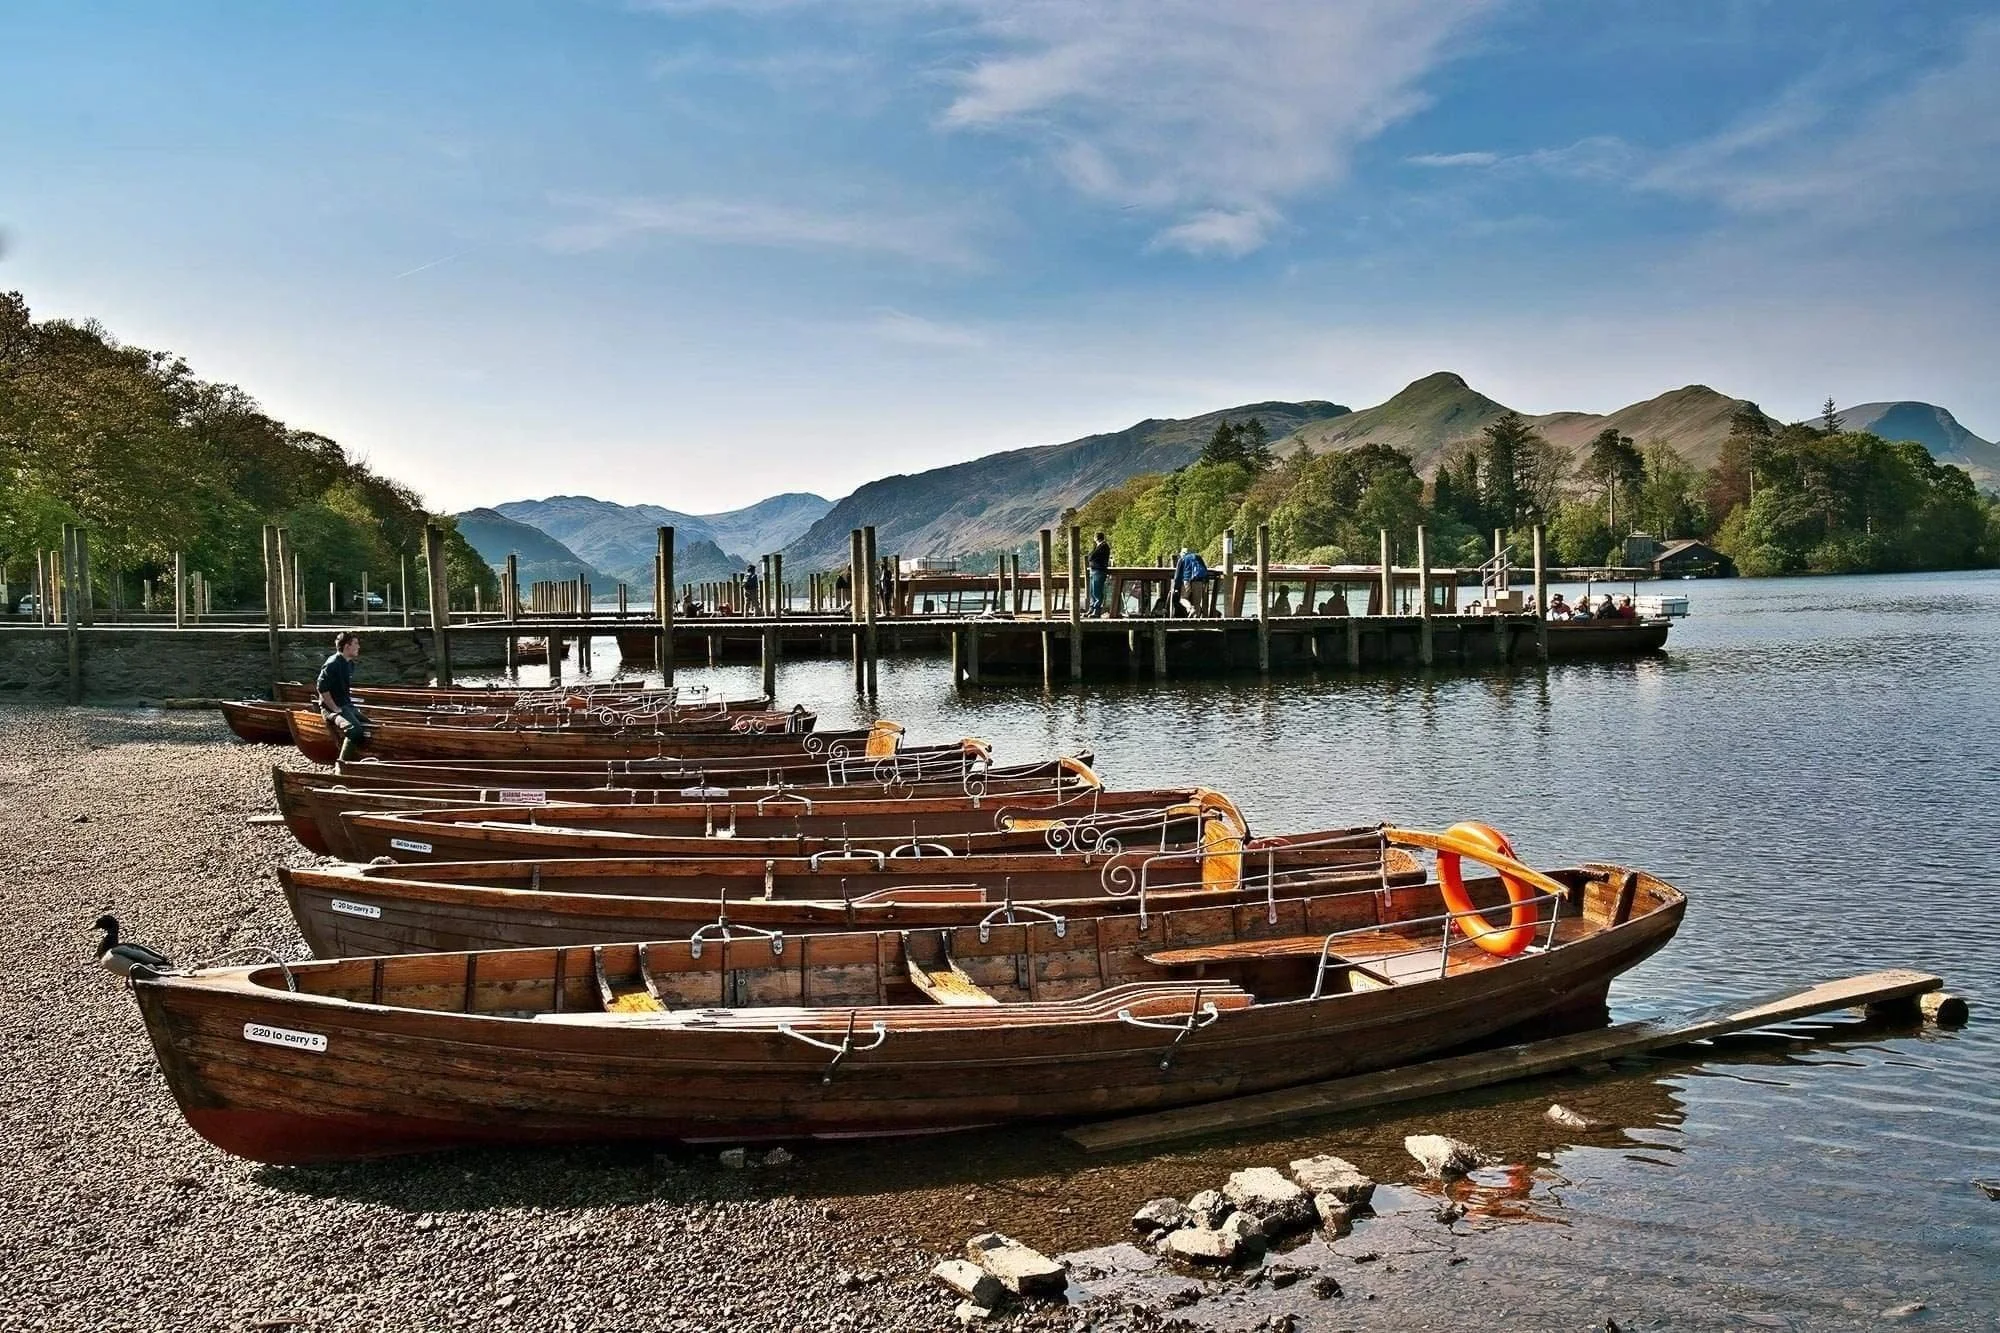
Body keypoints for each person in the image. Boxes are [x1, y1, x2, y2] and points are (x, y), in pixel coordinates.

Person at [316, 631, 368, 763]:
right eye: (356, 643)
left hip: (346, 705)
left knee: (369, 725)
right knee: (355, 731)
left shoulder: (350, 664)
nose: (359, 647)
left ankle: (362, 756)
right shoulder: (332, 664)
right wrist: (334, 708)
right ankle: (342, 764)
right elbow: (322, 688)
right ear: (346, 646)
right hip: (331, 709)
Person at [1172, 546, 1212, 617]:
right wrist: (1206, 581)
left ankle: (1190, 608)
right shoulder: (1198, 557)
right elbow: (1204, 570)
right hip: (1198, 581)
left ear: (1182, 553)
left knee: (1183, 599)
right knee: (1197, 603)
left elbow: (1178, 575)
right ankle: (1196, 622)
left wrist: (1176, 587)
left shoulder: (1182, 559)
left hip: (1187, 580)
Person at [1086, 532, 1112, 617]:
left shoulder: (1103, 546)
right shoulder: (1098, 546)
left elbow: (1091, 557)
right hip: (1094, 571)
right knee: (1092, 591)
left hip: (1099, 571)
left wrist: (1091, 557)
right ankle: (1092, 609)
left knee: (1097, 591)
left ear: (1096, 538)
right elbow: (1090, 556)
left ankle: (1096, 611)